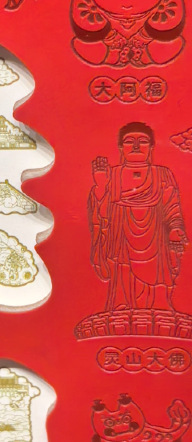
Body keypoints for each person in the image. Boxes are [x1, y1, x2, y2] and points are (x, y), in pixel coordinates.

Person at [89, 122, 187, 310]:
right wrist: (101, 186)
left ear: (151, 147)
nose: (135, 146)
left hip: (156, 238)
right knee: (123, 272)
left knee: (158, 282)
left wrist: (174, 230)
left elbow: (172, 206)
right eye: (129, 141)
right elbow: (103, 216)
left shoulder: (162, 174)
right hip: (122, 237)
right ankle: (122, 304)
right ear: (120, 147)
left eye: (142, 141)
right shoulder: (113, 174)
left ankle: (159, 305)